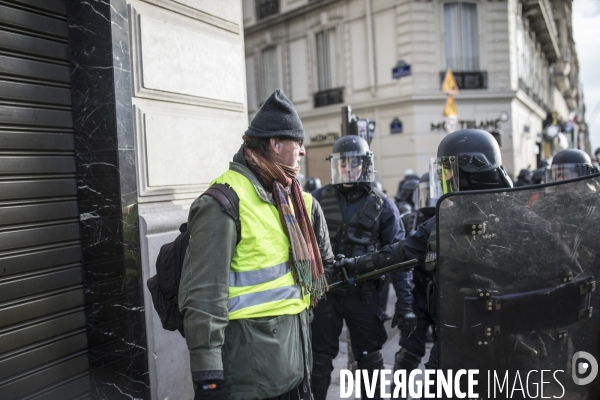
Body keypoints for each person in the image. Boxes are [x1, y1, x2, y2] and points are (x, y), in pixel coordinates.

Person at [179, 90, 334, 400]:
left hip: (295, 367)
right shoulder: (224, 201)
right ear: (275, 144)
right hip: (251, 378)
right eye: (297, 143)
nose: (302, 152)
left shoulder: (296, 200)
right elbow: (203, 296)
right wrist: (208, 378)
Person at [335, 129, 513, 375]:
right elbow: (400, 253)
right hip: (458, 335)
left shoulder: (513, 217)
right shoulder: (447, 219)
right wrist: (353, 266)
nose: (442, 177)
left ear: (469, 168)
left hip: (506, 340)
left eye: (447, 170)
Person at [309, 135, 415, 400]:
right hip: (326, 291)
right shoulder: (317, 199)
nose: (348, 168)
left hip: (364, 294)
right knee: (319, 359)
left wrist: (405, 301)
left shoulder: (382, 204)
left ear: (364, 165)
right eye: (343, 163)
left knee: (369, 358)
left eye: (354, 162)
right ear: (336, 165)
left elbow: (400, 255)